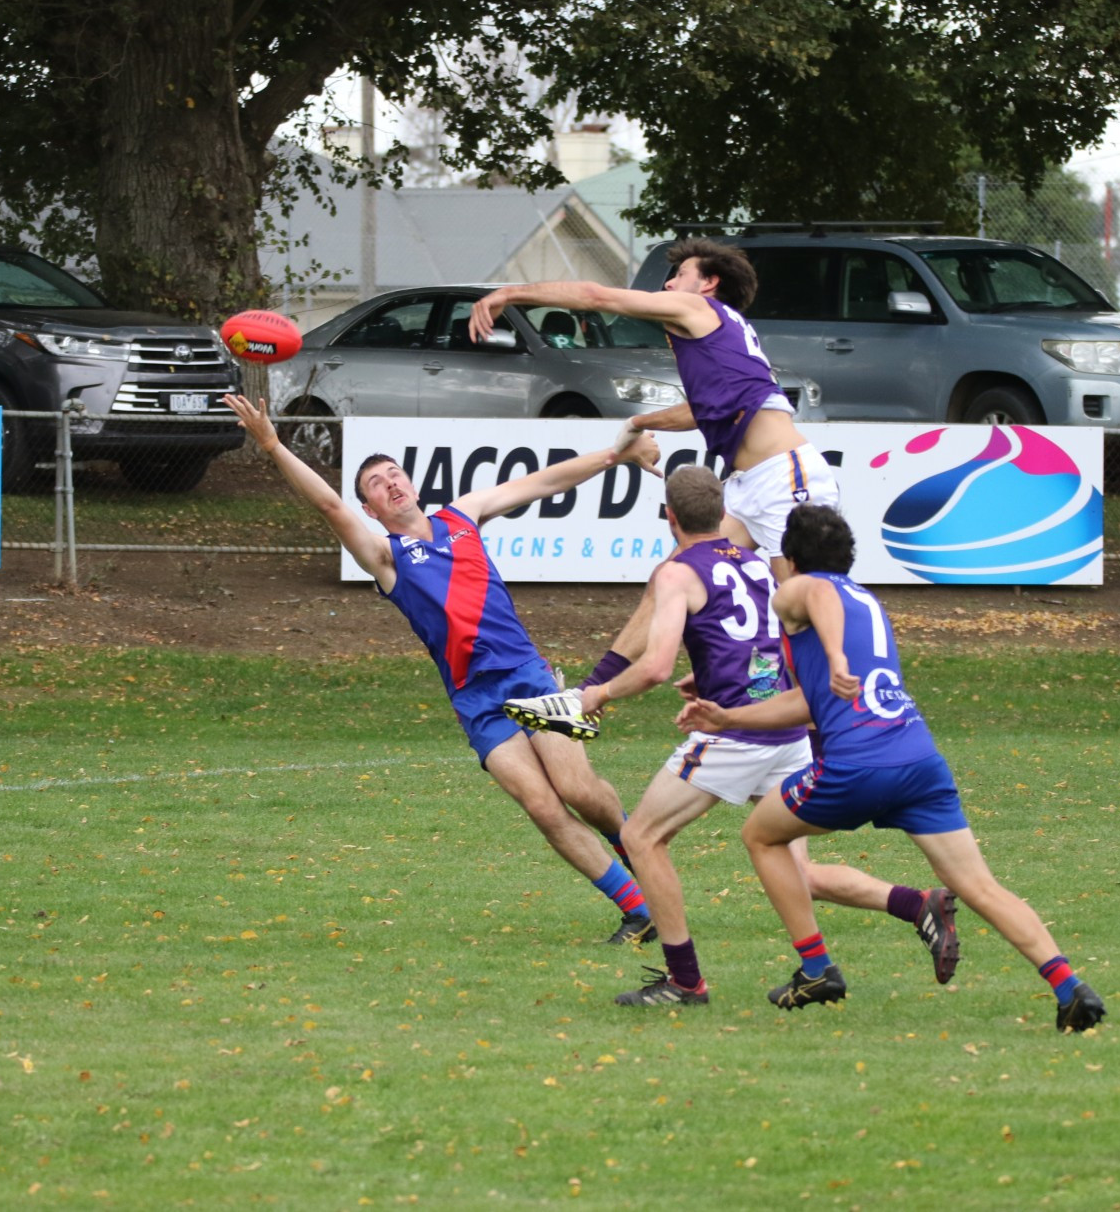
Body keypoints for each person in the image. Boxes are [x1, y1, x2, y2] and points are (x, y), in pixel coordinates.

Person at [223, 393, 663, 945]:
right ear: (372, 510)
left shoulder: (463, 516)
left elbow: (546, 482)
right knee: (542, 808)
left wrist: (616, 455)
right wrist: (271, 444)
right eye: (377, 487)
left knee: (578, 788)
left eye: (394, 474)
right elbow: (330, 508)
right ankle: (639, 910)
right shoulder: (386, 559)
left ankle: (639, 847)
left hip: (527, 676)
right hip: (476, 701)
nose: (391, 485)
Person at [677, 503, 1105, 1030]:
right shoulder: (866, 601)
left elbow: (815, 595)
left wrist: (834, 656)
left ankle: (815, 968)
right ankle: (1070, 988)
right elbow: (810, 703)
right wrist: (728, 716)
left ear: (789, 559)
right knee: (980, 886)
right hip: (919, 761)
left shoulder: (799, 590)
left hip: (859, 765)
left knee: (761, 836)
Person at [566, 466, 959, 1008]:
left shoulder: (676, 571)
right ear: (723, 512)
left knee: (642, 838)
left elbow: (655, 667)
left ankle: (685, 981)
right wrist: (709, 673)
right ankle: (914, 905)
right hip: (785, 729)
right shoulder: (754, 562)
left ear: (670, 516)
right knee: (792, 867)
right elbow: (767, 642)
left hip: (735, 734)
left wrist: (597, 694)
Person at [474, 238, 839, 740]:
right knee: (671, 575)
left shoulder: (698, 308)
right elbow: (702, 410)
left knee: (799, 611)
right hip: (752, 484)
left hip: (786, 477)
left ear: (707, 283)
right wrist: (641, 421)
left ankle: (833, 743)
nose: (668, 285)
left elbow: (596, 296)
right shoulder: (720, 337)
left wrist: (509, 294)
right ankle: (586, 698)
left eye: (679, 274)